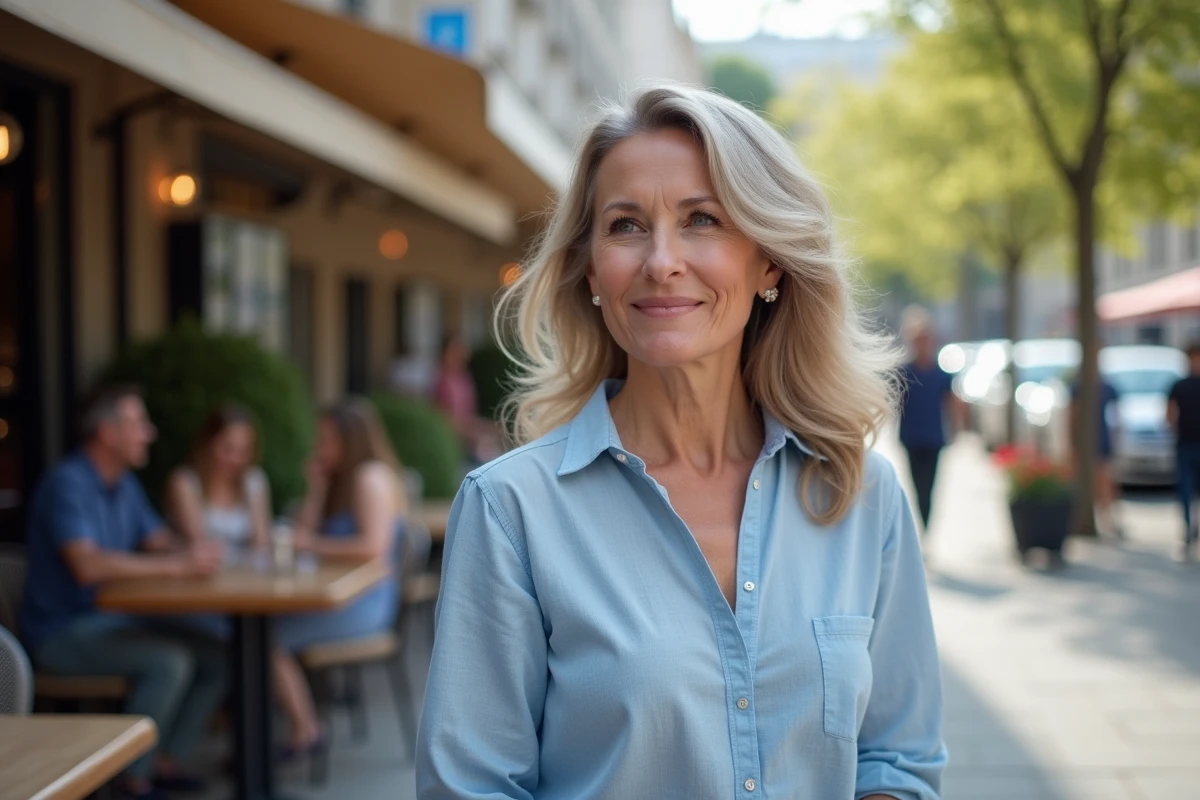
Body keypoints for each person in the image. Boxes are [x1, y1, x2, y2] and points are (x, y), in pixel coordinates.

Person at [417, 84, 945, 799]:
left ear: (770, 262)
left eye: (701, 219)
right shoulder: (511, 511)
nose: (661, 260)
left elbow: (899, 758)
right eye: (627, 226)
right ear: (592, 270)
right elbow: (471, 787)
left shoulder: (863, 496)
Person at [19, 385, 225, 800]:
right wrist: (176, 565)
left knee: (220, 654)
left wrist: (194, 549)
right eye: (138, 424)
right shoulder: (69, 483)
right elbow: (87, 565)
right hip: (62, 632)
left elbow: (156, 539)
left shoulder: (123, 484)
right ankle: (132, 780)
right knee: (171, 661)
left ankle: (165, 760)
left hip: (112, 621)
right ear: (107, 433)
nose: (148, 434)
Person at [271, 399, 408, 757]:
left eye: (327, 439)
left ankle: (306, 730)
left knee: (262, 642)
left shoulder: (370, 477)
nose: (321, 448)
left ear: (351, 439)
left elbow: (372, 548)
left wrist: (312, 545)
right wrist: (315, 487)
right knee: (259, 633)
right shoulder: (342, 479)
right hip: (339, 597)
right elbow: (304, 533)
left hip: (364, 602)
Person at [163, 404, 272, 637]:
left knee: (263, 636)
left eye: (243, 450)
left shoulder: (253, 481)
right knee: (259, 640)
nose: (235, 458)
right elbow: (200, 547)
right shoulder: (186, 482)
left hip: (247, 592)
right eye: (227, 448)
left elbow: (262, 545)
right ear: (208, 443)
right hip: (199, 595)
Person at [897, 307, 958, 533]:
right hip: (911, 436)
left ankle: (926, 528)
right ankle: (921, 525)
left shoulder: (941, 373)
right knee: (916, 485)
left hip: (934, 437)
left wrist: (956, 430)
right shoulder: (904, 371)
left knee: (930, 486)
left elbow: (950, 402)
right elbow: (894, 402)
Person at [1069, 346, 1122, 538]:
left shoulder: (1107, 386)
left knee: (1106, 482)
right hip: (1084, 442)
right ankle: (1082, 518)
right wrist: (1072, 443)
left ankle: (1109, 521)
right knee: (1083, 482)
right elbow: (1071, 416)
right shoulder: (1079, 386)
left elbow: (1117, 417)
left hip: (1103, 439)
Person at [433, 333, 501, 463]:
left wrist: (486, 427)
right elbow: (446, 420)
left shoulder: (464, 379)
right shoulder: (443, 382)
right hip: (454, 442)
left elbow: (467, 416)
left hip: (467, 436)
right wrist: (477, 431)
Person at [1168, 342, 1200, 560]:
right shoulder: (1178, 385)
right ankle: (1188, 532)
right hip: (1185, 444)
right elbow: (1169, 413)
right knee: (1185, 491)